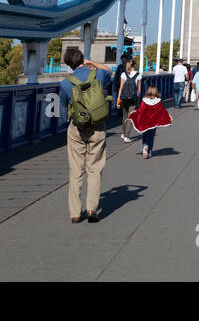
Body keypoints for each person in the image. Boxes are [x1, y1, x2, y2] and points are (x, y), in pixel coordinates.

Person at [59, 48, 112, 223]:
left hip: (77, 128)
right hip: (97, 126)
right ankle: (91, 209)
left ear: (68, 64)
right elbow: (108, 71)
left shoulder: (66, 84)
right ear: (83, 59)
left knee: (76, 171)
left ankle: (75, 213)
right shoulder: (98, 75)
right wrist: (91, 63)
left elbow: (63, 108)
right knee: (95, 168)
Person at [127, 84, 172, 159]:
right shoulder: (158, 102)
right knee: (151, 137)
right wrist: (169, 116)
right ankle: (150, 151)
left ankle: (145, 147)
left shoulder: (144, 101)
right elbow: (162, 111)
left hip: (145, 123)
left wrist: (134, 112)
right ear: (156, 92)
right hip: (153, 123)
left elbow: (140, 111)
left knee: (145, 135)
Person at [116, 57, 141, 140]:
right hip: (133, 98)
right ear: (135, 65)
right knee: (130, 117)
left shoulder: (123, 74)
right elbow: (139, 89)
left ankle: (123, 133)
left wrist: (118, 100)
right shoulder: (138, 75)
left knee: (125, 116)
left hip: (124, 98)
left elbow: (120, 88)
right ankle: (127, 136)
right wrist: (138, 99)